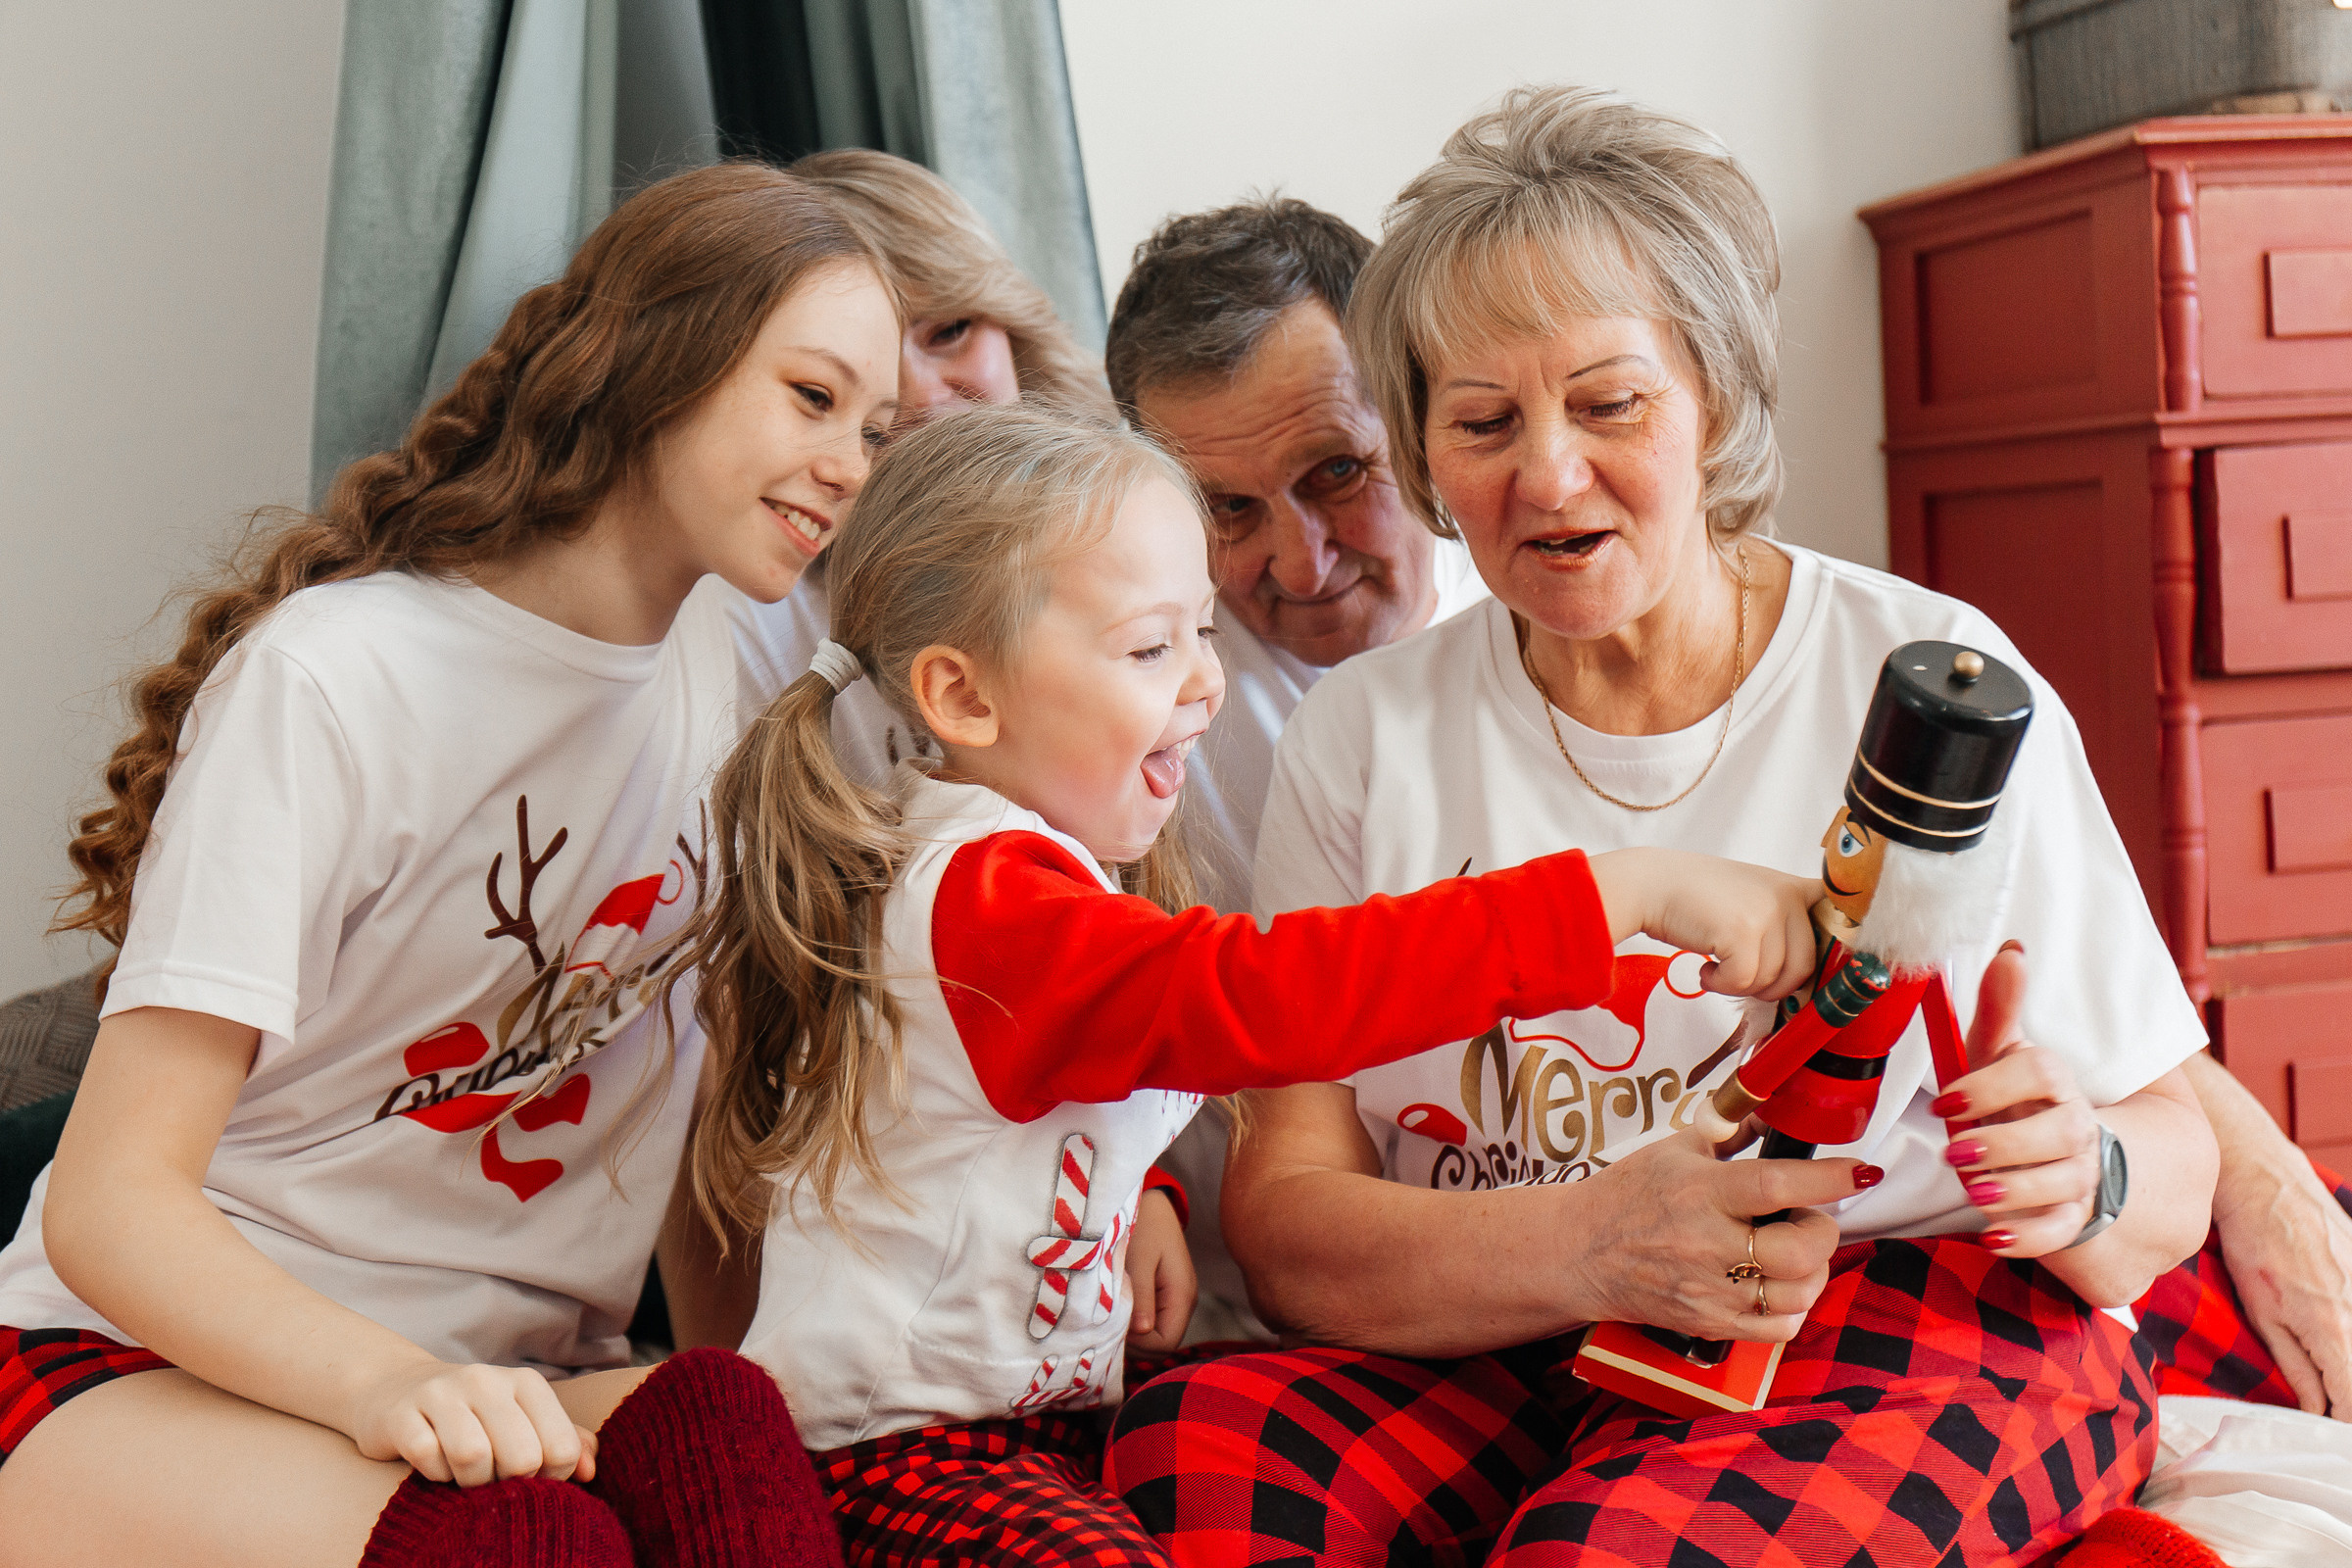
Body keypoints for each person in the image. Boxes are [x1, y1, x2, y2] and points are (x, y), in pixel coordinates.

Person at [1105, 88, 2217, 1567]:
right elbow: (1293, 1218)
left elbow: (2174, 1169)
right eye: (1485, 421)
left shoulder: (1927, 678)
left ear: (1716, 397)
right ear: (1430, 453)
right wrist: (1595, 1245)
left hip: (1888, 1305)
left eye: (1611, 403)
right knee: (1196, 1460)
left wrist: (2091, 1177)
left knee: (1618, 1549)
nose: (1547, 475)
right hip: (1513, 1321)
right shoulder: (1360, 735)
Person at [672, 401, 1832, 1568]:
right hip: (902, 1449)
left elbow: (994, 1108)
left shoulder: (1018, 879)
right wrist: (1610, 896)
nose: (1205, 687)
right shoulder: (982, 896)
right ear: (963, 698)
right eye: (1147, 649)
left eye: (1203, 635)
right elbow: (1264, 997)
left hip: (1039, 1413)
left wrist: (1143, 1201)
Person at [0, 164, 895, 1568]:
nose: (851, 462)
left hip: (509, 1386)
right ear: (661, 359)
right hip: (148, 1368)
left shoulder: (733, 686)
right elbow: (116, 1202)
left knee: (726, 1427)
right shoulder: (337, 680)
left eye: (874, 427)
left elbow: (684, 1125)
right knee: (533, 1548)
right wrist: (390, 1385)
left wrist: (753, 1391)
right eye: (814, 397)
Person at [1104, 200, 1494, 1341]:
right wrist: (1134, 1186)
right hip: (1219, 1326)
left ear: (1414, 410)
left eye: (1335, 471)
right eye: (1227, 508)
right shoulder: (1104, 698)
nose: (1298, 559)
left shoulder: (1551, 630)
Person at [769, 148, 1118, 786]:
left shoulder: (1143, 527)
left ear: (1015, 331)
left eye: (951, 330)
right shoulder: (763, 613)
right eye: (860, 361)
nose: (925, 398)